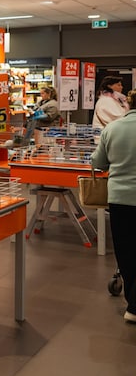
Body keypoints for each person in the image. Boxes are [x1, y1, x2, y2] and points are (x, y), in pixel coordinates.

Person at [91, 89, 136, 323]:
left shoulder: (113, 128)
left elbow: (98, 162)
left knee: (126, 250)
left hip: (120, 199)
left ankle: (133, 307)